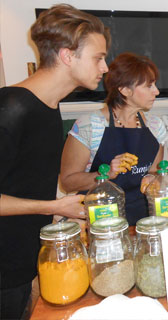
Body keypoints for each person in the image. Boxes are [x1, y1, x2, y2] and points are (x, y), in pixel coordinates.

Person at [0, 4, 110, 319]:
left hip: (23, 263)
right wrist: (53, 207)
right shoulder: (11, 109)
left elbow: (24, 183)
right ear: (66, 56)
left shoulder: (50, 106)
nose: (104, 67)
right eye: (98, 57)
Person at [59, 52, 167, 226]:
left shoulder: (156, 127)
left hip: (143, 217)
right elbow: (68, 183)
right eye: (149, 86)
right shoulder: (90, 126)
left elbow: (155, 171)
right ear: (124, 90)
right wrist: (105, 174)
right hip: (101, 217)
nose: (157, 91)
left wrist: (152, 178)